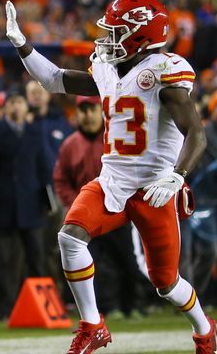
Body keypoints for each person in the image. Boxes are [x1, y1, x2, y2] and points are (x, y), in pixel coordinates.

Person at [5, 0, 217, 354]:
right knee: (70, 237)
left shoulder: (163, 70)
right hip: (112, 180)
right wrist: (22, 44)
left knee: (166, 283)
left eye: (116, 33)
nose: (106, 40)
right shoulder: (107, 68)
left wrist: (178, 175)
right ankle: (93, 325)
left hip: (155, 187)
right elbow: (55, 79)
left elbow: (197, 133)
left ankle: (204, 327)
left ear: (140, 37)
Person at [53, 95, 146, 319]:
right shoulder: (70, 144)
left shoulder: (114, 138)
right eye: (82, 110)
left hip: (118, 209)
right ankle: (105, 307)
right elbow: (61, 179)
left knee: (126, 258)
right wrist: (75, 204)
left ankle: (133, 304)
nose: (87, 115)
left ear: (100, 111)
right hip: (86, 215)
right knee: (94, 262)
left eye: (91, 109)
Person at [0, 90, 50, 321]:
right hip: (4, 205)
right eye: (12, 103)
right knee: (5, 261)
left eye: (19, 101)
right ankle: (6, 309)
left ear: (26, 105)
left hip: (31, 204)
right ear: (5, 108)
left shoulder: (35, 131)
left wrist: (48, 200)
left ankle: (43, 307)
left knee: (36, 258)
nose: (16, 107)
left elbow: (43, 168)